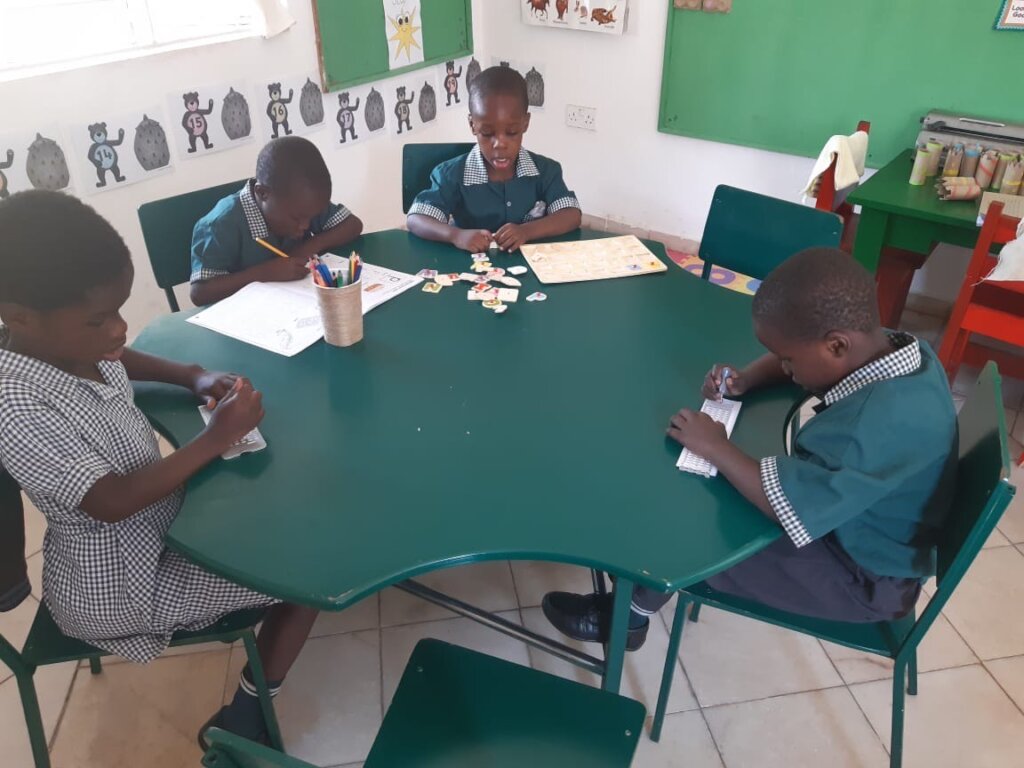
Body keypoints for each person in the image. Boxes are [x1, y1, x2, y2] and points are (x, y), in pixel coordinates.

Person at [0, 190, 318, 744]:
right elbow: (111, 500)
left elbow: (117, 357)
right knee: (307, 568)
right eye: (99, 319)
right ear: (19, 317)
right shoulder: (16, 404)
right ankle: (247, 716)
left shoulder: (70, 345)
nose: (118, 330)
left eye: (120, 309)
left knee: (283, 497)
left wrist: (191, 375)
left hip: (162, 526)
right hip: (123, 584)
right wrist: (218, 437)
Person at [543, 248, 958, 650]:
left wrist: (715, 445)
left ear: (836, 346)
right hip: (855, 527)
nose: (785, 367)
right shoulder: (901, 352)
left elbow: (786, 507)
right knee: (706, 494)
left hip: (862, 578)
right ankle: (633, 581)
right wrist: (746, 379)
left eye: (787, 359)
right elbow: (806, 354)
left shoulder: (871, 428)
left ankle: (627, 618)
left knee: (685, 524)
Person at [407, 66, 581, 253]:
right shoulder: (451, 175)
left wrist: (526, 231)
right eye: (487, 133)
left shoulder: (546, 171)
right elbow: (416, 218)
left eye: (511, 132)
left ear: (525, 123)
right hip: (469, 266)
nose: (500, 144)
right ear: (472, 125)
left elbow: (571, 215)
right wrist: (456, 235)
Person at [190, 136, 363, 305]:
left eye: (310, 217)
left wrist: (309, 247)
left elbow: (353, 225)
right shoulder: (219, 225)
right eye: (296, 218)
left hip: (299, 304)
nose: (305, 225)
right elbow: (200, 293)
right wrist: (263, 274)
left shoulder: (304, 205)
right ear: (262, 193)